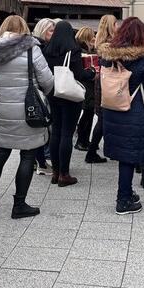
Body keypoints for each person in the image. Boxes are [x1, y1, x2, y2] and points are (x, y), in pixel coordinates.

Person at [0, 15, 54, 217]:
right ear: (24, 28)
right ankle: (19, 205)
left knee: (1, 152)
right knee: (28, 155)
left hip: (4, 107)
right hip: (28, 110)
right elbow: (47, 80)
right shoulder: (31, 48)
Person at [99, 17, 144, 215]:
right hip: (133, 111)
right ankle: (123, 200)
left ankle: (127, 191)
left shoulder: (107, 55)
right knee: (128, 156)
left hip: (111, 108)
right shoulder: (142, 58)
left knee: (122, 153)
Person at [44, 21, 95, 187]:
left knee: (56, 132)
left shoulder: (47, 50)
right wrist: (92, 72)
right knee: (67, 133)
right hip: (69, 96)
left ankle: (56, 172)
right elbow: (79, 74)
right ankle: (64, 175)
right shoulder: (72, 50)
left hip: (53, 93)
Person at [86, 14, 117, 164]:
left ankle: (92, 151)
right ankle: (91, 152)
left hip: (102, 81)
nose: (117, 26)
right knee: (104, 119)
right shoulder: (111, 45)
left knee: (102, 118)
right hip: (109, 82)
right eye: (115, 23)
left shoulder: (100, 41)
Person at [32, 18, 55, 176]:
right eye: (50, 30)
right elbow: (44, 77)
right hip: (40, 93)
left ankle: (38, 161)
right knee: (41, 129)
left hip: (35, 93)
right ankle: (40, 162)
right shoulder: (39, 47)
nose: (53, 34)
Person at [74, 26, 97, 151]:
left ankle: (84, 140)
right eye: (92, 37)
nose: (94, 39)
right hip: (87, 85)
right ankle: (81, 141)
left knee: (88, 113)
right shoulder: (82, 51)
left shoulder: (79, 48)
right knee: (87, 112)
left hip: (85, 85)